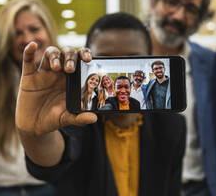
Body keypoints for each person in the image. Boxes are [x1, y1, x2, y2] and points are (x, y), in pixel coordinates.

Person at [16, 12, 186, 196]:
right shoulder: (76, 118)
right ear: (87, 58)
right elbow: (51, 163)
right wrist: (35, 136)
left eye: (131, 59)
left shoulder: (172, 126)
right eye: (106, 60)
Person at [148, 0, 216, 196]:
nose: (179, 16)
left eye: (191, 9)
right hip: (138, 187)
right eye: (172, 2)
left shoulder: (211, 64)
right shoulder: (125, 56)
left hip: (196, 187)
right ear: (153, 2)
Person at [0, 0, 56, 195]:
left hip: (49, 188)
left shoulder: (63, 80)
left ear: (48, 30)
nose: (27, 39)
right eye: (16, 33)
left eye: (34, 29)